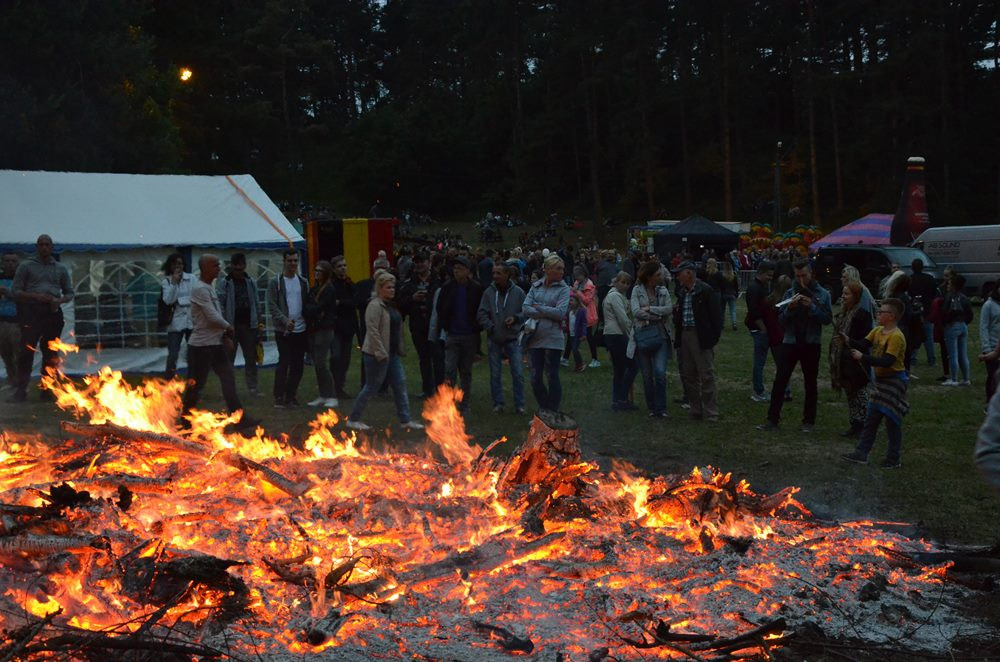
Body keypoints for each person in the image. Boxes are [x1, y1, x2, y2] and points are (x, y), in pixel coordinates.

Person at [178, 254, 259, 431]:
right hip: (201, 347)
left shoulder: (209, 287)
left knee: (228, 379)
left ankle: (239, 417)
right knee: (196, 386)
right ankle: (184, 421)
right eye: (215, 265)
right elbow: (211, 316)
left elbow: (217, 312)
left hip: (214, 344)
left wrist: (224, 336)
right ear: (205, 268)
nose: (219, 268)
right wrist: (229, 327)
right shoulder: (200, 289)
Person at [757, 259, 833, 433]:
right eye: (797, 276)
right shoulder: (790, 293)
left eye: (804, 275)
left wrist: (812, 307)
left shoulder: (822, 294)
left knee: (810, 383)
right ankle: (772, 419)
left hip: (811, 343)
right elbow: (781, 320)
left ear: (811, 273)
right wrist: (790, 309)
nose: (800, 279)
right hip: (790, 342)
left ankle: (808, 421)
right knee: (780, 381)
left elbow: (827, 319)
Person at [345, 270, 423, 432]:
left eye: (393, 287)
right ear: (380, 289)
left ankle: (405, 420)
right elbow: (372, 331)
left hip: (391, 353)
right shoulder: (374, 305)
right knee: (371, 387)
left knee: (400, 385)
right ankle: (353, 419)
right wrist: (381, 353)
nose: (392, 290)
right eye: (388, 287)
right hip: (376, 354)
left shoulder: (390, 305)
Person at [841, 298, 909, 468]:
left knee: (892, 421)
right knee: (871, 419)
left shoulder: (896, 337)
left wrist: (862, 358)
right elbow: (863, 344)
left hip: (894, 381)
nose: (877, 314)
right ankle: (861, 453)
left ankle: (894, 458)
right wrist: (847, 340)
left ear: (891, 316)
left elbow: (887, 361)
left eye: (881, 312)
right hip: (880, 382)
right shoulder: (877, 331)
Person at [8, 235, 74, 403]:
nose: (44, 247)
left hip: (52, 312)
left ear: (52, 247)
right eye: (41, 245)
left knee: (50, 352)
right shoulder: (26, 266)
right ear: (37, 247)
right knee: (26, 351)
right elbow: (15, 291)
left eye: (47, 245)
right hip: (32, 311)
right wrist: (36, 296)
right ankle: (21, 390)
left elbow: (69, 293)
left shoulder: (60, 268)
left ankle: (47, 389)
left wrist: (59, 300)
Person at [672, 260, 723, 422]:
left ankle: (711, 412)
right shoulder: (682, 292)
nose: (677, 276)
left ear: (689, 273)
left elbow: (717, 317)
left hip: (700, 336)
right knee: (688, 375)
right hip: (685, 334)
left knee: (706, 374)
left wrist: (711, 338)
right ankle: (695, 409)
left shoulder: (705, 291)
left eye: (679, 273)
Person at [522, 254, 571, 414]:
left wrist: (539, 307)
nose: (562, 271)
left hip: (553, 339)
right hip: (535, 338)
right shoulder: (536, 286)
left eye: (563, 269)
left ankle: (552, 411)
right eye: (558, 268)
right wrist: (545, 310)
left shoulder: (564, 289)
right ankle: (545, 408)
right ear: (548, 269)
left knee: (552, 376)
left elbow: (560, 313)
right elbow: (525, 308)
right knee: (535, 378)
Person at [476, 263, 526, 414]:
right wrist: (490, 327)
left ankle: (520, 404)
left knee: (517, 373)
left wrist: (516, 318)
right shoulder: (489, 293)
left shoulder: (518, 293)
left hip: (512, 339)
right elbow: (481, 313)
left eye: (498, 273)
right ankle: (498, 403)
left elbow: (527, 310)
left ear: (507, 274)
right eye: (494, 273)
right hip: (494, 339)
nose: (495, 276)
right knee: (495, 373)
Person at [436, 256, 483, 414]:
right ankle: (448, 403)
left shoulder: (475, 288)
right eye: (455, 268)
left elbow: (479, 309)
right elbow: (440, 307)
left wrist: (476, 328)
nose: (456, 271)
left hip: (469, 335)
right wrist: (445, 324)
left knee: (466, 371)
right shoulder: (448, 287)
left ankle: (465, 403)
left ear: (468, 271)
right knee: (449, 370)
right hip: (453, 334)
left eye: (460, 268)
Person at [829, 281, 874, 438]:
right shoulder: (844, 314)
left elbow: (865, 342)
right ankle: (855, 425)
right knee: (851, 396)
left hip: (857, 363)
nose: (843, 296)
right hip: (844, 362)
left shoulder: (862, 315)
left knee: (860, 396)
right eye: (843, 293)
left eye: (846, 294)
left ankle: (864, 427)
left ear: (856, 296)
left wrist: (848, 341)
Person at [630, 260, 673, 418]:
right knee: (647, 375)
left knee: (660, 372)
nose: (661, 276)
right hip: (643, 336)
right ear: (649, 277)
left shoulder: (663, 290)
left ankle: (661, 407)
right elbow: (635, 311)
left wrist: (650, 309)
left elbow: (669, 309)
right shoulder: (637, 290)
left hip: (661, 335)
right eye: (657, 274)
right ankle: (652, 407)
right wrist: (657, 315)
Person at [267, 249, 309, 407]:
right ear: (283, 261)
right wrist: (285, 321)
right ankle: (279, 396)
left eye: (295, 261)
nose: (293, 264)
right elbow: (272, 305)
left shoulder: (303, 282)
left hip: (301, 328)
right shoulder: (276, 282)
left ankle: (291, 395)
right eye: (290, 260)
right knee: (284, 362)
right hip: (283, 330)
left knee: (298, 364)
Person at [398, 251, 443, 398]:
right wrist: (412, 298)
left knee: (437, 357)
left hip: (435, 325)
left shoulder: (439, 280)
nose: (419, 264)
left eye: (422, 261)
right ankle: (428, 390)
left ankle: (440, 389)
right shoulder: (409, 283)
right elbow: (401, 305)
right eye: (416, 262)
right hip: (418, 326)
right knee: (424, 358)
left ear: (429, 263)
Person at [217, 253, 262, 395]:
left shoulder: (250, 282)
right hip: (231, 326)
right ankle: (229, 388)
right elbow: (220, 304)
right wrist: (224, 325)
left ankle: (252, 387)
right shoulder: (225, 282)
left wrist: (259, 322)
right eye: (235, 266)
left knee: (251, 358)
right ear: (231, 265)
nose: (238, 269)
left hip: (249, 325)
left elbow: (256, 302)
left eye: (240, 266)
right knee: (229, 359)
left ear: (244, 265)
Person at [303, 260, 339, 408]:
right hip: (315, 328)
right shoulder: (314, 289)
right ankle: (323, 394)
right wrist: (312, 310)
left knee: (321, 362)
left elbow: (319, 308)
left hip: (325, 329)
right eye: (315, 270)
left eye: (320, 270)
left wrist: (313, 310)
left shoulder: (328, 289)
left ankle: (331, 395)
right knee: (318, 364)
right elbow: (307, 308)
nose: (317, 272)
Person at [603, 271, 638, 411]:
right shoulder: (615, 296)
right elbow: (622, 318)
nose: (625, 285)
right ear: (616, 282)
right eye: (622, 282)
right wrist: (631, 335)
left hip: (613, 334)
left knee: (619, 369)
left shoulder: (618, 296)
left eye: (628, 283)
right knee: (632, 366)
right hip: (617, 334)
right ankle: (622, 397)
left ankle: (617, 400)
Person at [161, 252, 195, 380]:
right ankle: (168, 380)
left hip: (191, 321)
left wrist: (181, 301)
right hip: (175, 323)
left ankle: (193, 380)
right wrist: (174, 283)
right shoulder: (167, 282)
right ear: (170, 266)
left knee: (193, 353)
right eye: (174, 264)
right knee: (173, 354)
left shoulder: (191, 278)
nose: (177, 266)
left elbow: (196, 296)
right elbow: (168, 300)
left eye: (180, 263)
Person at [745, 261, 775, 402]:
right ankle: (758, 391)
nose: (770, 278)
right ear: (761, 273)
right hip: (759, 329)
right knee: (759, 361)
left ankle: (759, 390)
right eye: (769, 275)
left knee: (760, 361)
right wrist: (763, 328)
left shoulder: (759, 286)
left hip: (761, 327)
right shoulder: (754, 288)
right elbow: (753, 311)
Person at [330, 255, 358, 399]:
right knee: (336, 356)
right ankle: (333, 384)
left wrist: (340, 303)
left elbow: (355, 302)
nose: (343, 268)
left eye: (344, 265)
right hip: (336, 327)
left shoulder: (349, 284)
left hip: (348, 327)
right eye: (340, 266)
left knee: (345, 359)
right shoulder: (331, 286)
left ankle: (340, 386)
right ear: (334, 269)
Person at [566, 265, 600, 368]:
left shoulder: (590, 286)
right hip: (576, 313)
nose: (576, 279)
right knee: (571, 335)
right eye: (575, 276)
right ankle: (565, 358)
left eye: (578, 276)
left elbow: (587, 301)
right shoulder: (577, 283)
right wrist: (572, 292)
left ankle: (595, 359)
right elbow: (573, 295)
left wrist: (577, 292)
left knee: (589, 338)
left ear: (583, 274)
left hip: (587, 314)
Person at [942, 274, 973, 386]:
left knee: (953, 354)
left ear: (954, 285)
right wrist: (964, 322)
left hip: (952, 326)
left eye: (950, 283)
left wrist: (946, 322)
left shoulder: (950, 296)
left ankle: (954, 379)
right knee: (963, 354)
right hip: (963, 326)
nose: (948, 285)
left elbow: (944, 311)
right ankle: (966, 378)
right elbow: (970, 314)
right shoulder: (964, 298)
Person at [908, 258, 939, 367]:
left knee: (915, 334)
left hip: (915, 310)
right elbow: (935, 293)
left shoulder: (910, 280)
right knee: (929, 337)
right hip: (927, 310)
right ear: (922, 267)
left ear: (912, 268)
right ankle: (931, 359)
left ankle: (912, 358)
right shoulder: (929, 279)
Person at [0, 253, 21, 390]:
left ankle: (21, 384)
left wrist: (9, 293)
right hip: (1, 322)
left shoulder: (22, 279)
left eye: (13, 261)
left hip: (17, 323)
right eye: (7, 261)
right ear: (2, 263)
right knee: (5, 355)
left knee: (19, 355)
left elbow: (27, 298)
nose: (10, 264)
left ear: (17, 263)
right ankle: (12, 381)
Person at [980, 286, 1000, 404]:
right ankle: (989, 403)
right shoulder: (989, 305)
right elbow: (984, 326)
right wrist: (986, 347)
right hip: (992, 346)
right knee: (993, 376)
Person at [567, 295, 588, 372]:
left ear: (577, 301)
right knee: (573, 349)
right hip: (571, 334)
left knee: (575, 349)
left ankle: (581, 363)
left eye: (572, 300)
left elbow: (584, 323)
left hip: (577, 334)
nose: (570, 302)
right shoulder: (569, 311)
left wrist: (584, 334)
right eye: (570, 301)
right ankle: (578, 365)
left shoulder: (581, 311)